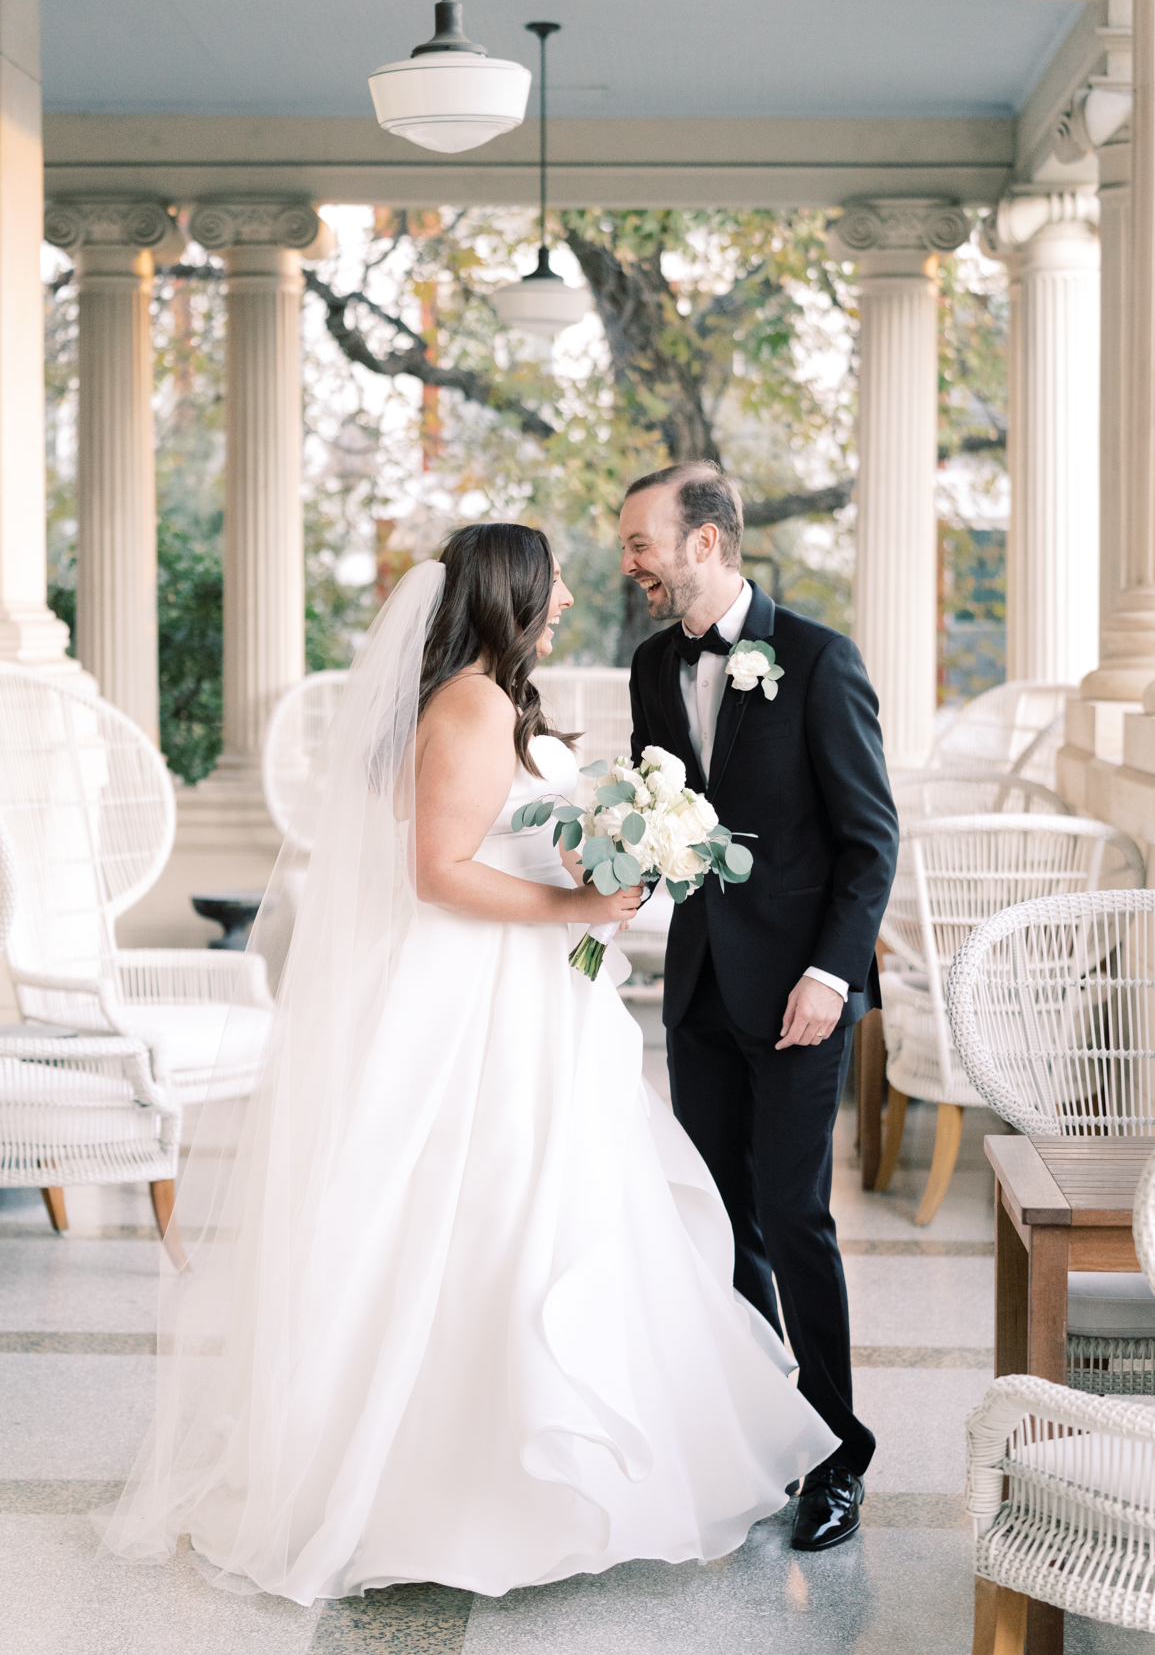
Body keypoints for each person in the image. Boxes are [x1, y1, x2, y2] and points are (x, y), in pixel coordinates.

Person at [98, 520, 836, 1604]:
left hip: (531, 998)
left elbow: (506, 836)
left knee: (540, 1216)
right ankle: (454, 1496)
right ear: (510, 596)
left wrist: (616, 860)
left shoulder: (490, 699)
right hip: (477, 1003)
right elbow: (440, 872)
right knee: (481, 1213)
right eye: (553, 588)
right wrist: (578, 903)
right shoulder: (471, 704)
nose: (571, 605)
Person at [622, 463, 899, 1552]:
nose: (631, 562)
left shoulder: (821, 660)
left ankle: (838, 1450)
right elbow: (657, 824)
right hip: (696, 990)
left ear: (706, 542)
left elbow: (870, 840)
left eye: (643, 541)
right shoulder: (652, 666)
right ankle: (756, 1438)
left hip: (797, 996)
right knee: (722, 1223)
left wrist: (831, 976)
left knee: (796, 1218)